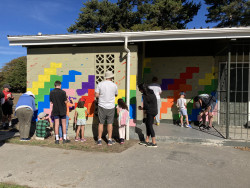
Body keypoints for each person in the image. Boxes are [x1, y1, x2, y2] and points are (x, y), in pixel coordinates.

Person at [95, 71, 118, 146]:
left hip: (102, 105)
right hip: (111, 106)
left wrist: (102, 95)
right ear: (112, 77)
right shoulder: (114, 85)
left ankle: (99, 140)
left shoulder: (100, 84)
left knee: (101, 123)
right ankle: (110, 140)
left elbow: (96, 95)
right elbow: (116, 94)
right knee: (110, 123)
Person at [138, 83, 158, 147]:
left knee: (149, 126)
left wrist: (141, 108)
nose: (139, 90)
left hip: (150, 111)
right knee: (148, 125)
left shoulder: (145, 95)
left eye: (139, 89)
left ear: (142, 89)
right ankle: (147, 140)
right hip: (154, 110)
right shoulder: (151, 93)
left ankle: (154, 142)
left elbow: (146, 106)